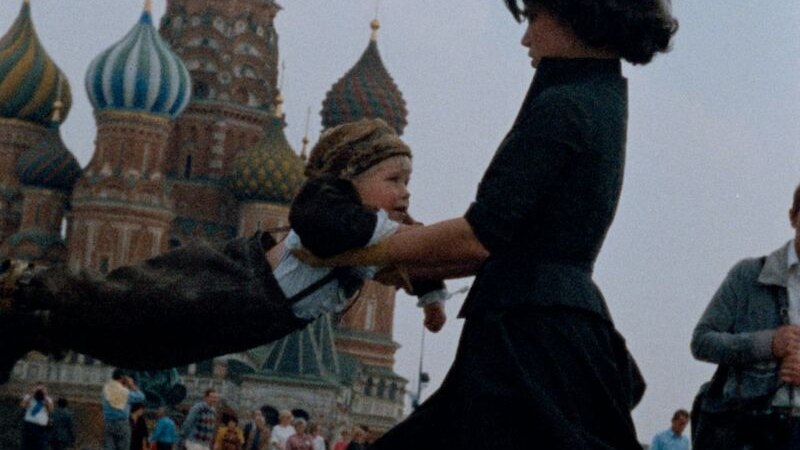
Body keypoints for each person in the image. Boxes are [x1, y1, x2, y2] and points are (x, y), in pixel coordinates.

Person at [293, 1, 677, 449]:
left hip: (529, 340)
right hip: (552, 330)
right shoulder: (600, 96)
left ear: (580, 15)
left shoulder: (564, 105)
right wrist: (406, 266)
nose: (525, 37)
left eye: (534, 16)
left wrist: (355, 251)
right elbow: (508, 246)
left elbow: (479, 238)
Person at [0, 118, 448, 382]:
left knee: (145, 352)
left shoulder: (389, 230)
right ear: (349, 177)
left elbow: (417, 257)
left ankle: (36, 328)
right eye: (394, 180)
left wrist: (430, 299)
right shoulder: (329, 201)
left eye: (408, 181)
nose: (405, 192)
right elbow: (320, 227)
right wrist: (381, 231)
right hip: (235, 281)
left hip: (259, 319)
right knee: (130, 302)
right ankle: (29, 284)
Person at [691, 183, 800, 450]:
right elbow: (702, 341)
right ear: (793, 216)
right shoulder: (749, 276)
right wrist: (767, 344)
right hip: (750, 430)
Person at [102, 369, 146, 450]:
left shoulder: (105, 389)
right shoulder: (124, 392)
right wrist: (132, 385)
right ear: (122, 377)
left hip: (108, 423)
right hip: (121, 423)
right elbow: (141, 397)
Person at [20, 383, 54, 450]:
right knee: (27, 445)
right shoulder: (29, 397)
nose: (40, 391)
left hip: (41, 427)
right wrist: (32, 395)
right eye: (38, 389)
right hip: (29, 424)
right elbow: (22, 405)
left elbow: (51, 410)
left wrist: (45, 397)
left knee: (39, 446)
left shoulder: (48, 399)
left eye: (42, 389)